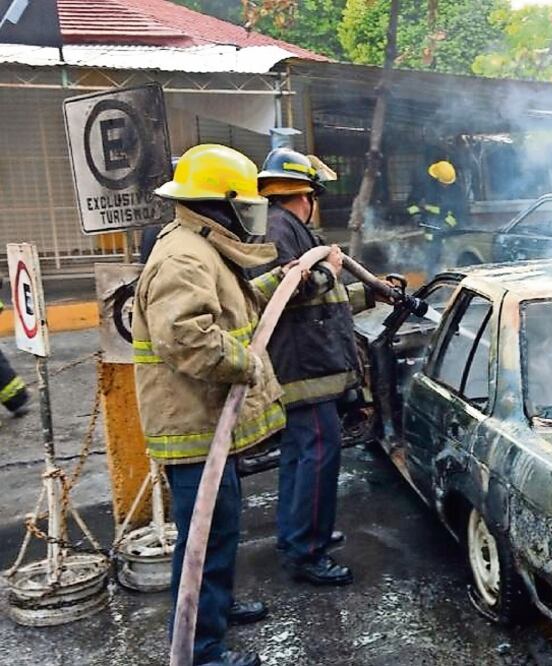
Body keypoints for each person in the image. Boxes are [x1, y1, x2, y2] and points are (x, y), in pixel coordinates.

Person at [132, 143, 335, 666]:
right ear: (219, 203)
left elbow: (236, 305)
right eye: (242, 204)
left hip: (201, 417)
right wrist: (247, 362)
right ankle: (201, 650)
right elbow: (186, 338)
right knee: (205, 536)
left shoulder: (200, 246)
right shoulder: (184, 256)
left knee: (216, 532)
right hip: (193, 422)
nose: (250, 213)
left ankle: (213, 610)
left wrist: (289, 279)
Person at [254, 148, 383, 585]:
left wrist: (370, 294)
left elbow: (324, 303)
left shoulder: (288, 229)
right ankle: (307, 551)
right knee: (314, 460)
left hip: (311, 369)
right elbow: (284, 293)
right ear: (304, 194)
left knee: (302, 458)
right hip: (303, 372)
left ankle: (305, 535)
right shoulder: (279, 231)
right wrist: (329, 266)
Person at [406, 159, 466, 276]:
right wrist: (416, 215)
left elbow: (460, 213)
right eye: (443, 182)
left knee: (452, 263)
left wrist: (447, 225)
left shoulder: (457, 191)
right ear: (436, 178)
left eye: (448, 183)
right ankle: (432, 283)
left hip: (451, 234)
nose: (446, 185)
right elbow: (411, 203)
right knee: (432, 262)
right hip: (431, 233)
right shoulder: (425, 187)